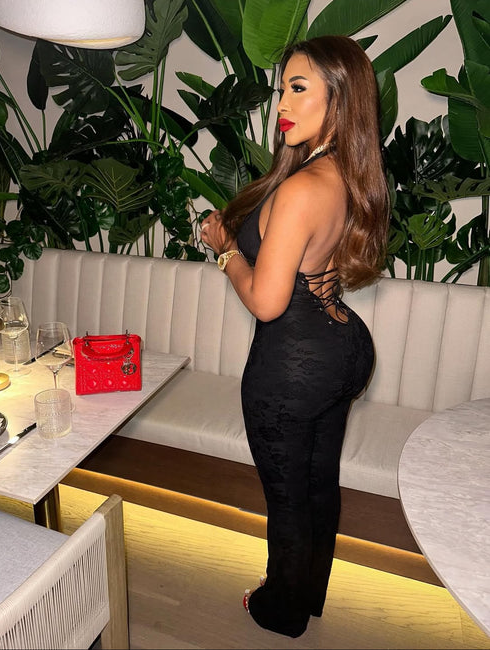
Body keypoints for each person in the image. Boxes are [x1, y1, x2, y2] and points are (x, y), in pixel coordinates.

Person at [200, 35, 390, 638]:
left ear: (339, 99)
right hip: (343, 347)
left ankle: (281, 611)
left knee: (287, 498)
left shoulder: (303, 188)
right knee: (317, 483)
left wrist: (225, 251)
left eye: (298, 88)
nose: (281, 103)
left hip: (295, 365)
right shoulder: (344, 174)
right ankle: (309, 595)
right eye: (282, 88)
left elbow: (267, 301)